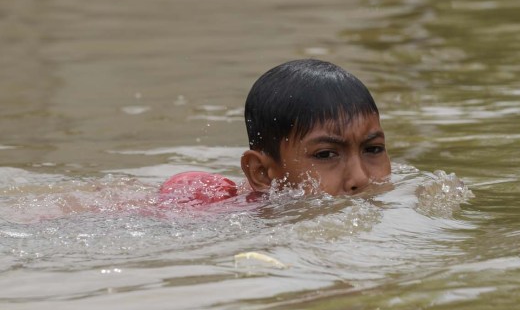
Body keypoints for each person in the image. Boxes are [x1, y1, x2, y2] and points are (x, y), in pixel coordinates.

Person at [159, 59, 391, 205]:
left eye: (373, 149)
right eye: (326, 154)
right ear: (261, 173)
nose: (360, 178)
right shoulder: (209, 210)